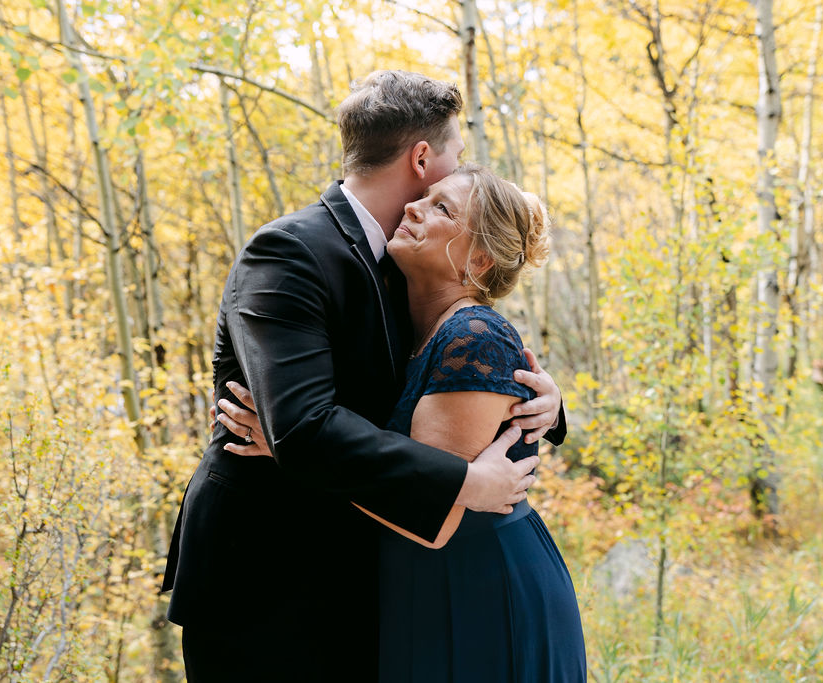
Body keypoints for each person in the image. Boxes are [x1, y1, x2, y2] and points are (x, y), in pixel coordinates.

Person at [161, 70, 566, 682]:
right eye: (457, 153)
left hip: (367, 574)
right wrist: (466, 482)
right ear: (423, 158)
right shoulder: (290, 252)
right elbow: (303, 429)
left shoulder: (411, 269)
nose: (461, 166)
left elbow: (464, 364)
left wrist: (547, 406)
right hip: (266, 580)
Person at [373, 164, 586, 682]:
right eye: (423, 197)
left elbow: (429, 512)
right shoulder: (412, 328)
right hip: (431, 585)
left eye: (441, 207)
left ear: (479, 259)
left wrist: (295, 445)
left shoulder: (475, 337)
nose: (411, 207)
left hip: (485, 590)